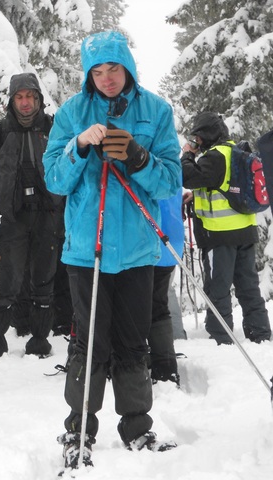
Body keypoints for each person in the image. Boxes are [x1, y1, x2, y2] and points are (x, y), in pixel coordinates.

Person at [42, 31, 181, 468]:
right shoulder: (71, 112)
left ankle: (137, 427)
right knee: (89, 343)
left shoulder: (156, 111)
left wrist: (139, 158)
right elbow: (54, 179)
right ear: (88, 75)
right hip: (88, 251)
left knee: (132, 341)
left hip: (138, 251)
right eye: (97, 72)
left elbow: (171, 180)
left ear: (128, 68)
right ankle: (78, 429)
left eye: (113, 70)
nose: (106, 79)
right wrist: (79, 146)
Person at [0, 72, 65, 360]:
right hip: (13, 219)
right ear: (12, 100)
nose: (25, 103)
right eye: (19, 97)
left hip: (48, 217)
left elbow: (70, 175)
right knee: (8, 282)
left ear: (39, 98)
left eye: (30, 96)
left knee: (44, 282)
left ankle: (40, 342)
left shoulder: (54, 129)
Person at [181, 112, 271, 345]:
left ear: (208, 135)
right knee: (248, 285)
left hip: (220, 236)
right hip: (246, 231)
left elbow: (188, 176)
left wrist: (187, 156)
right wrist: (196, 196)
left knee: (218, 288)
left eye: (199, 137)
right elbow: (218, 186)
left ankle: (221, 337)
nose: (197, 142)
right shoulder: (236, 152)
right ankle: (260, 333)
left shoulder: (214, 156)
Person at [148, 191, 184, 385]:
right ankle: (165, 366)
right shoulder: (172, 160)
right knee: (158, 303)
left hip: (150, 237)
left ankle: (154, 364)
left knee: (142, 305)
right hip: (171, 236)